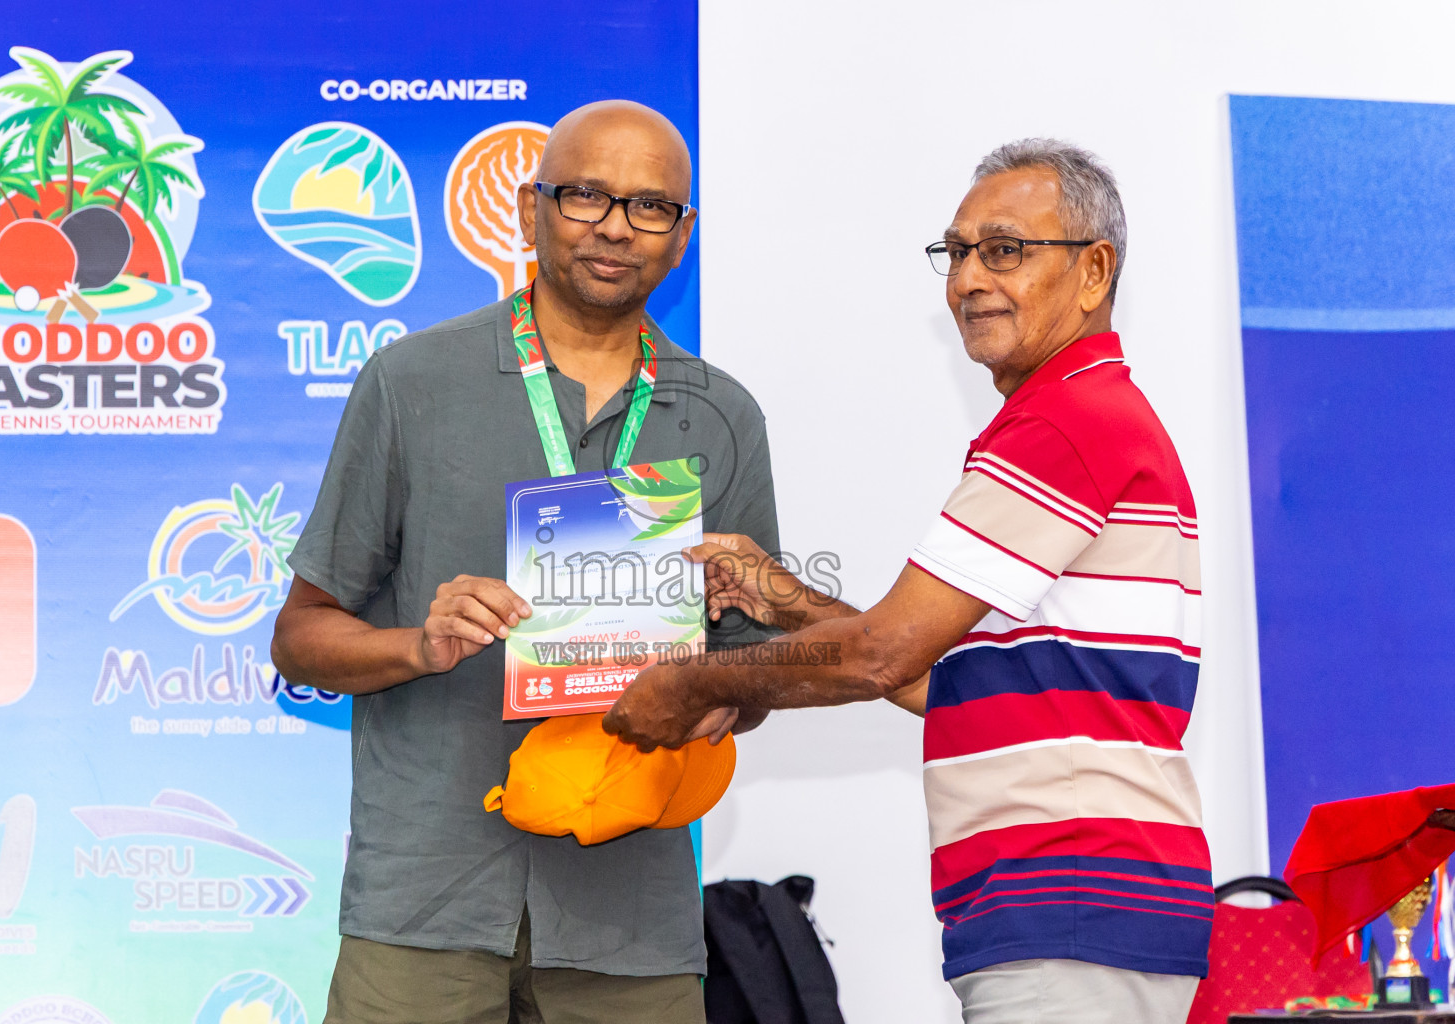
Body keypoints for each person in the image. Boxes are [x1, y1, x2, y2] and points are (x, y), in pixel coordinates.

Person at [603, 139, 1211, 1023]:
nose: (967, 279)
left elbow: (882, 653)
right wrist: (786, 598)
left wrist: (690, 682)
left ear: (1095, 270)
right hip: (1076, 912)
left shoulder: (1066, 423)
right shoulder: (1079, 417)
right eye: (956, 252)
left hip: (1071, 906)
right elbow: (945, 679)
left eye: (1004, 249)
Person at [271, 99, 779, 1024]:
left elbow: (756, 680)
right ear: (528, 207)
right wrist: (417, 648)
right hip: (426, 904)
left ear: (682, 236)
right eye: (585, 195)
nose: (616, 227)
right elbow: (299, 640)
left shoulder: (721, 416)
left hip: (629, 913)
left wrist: (722, 689)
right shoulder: (411, 383)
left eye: (650, 206)